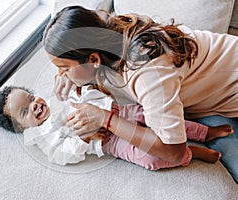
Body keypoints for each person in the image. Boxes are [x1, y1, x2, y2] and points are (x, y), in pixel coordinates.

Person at [42, 6, 238, 181]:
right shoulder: (113, 35)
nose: (60, 75)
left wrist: (105, 118)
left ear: (94, 59)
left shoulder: (147, 71)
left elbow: (174, 152)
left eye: (64, 68)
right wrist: (72, 74)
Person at [0, 85, 232, 169]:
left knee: (158, 117)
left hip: (117, 111)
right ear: (23, 129)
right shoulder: (44, 137)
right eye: (26, 111)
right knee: (150, 159)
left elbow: (84, 91)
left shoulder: (57, 99)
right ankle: (190, 154)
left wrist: (85, 91)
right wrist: (85, 138)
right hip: (110, 141)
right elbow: (63, 155)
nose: (35, 105)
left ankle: (203, 132)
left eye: (32, 98)